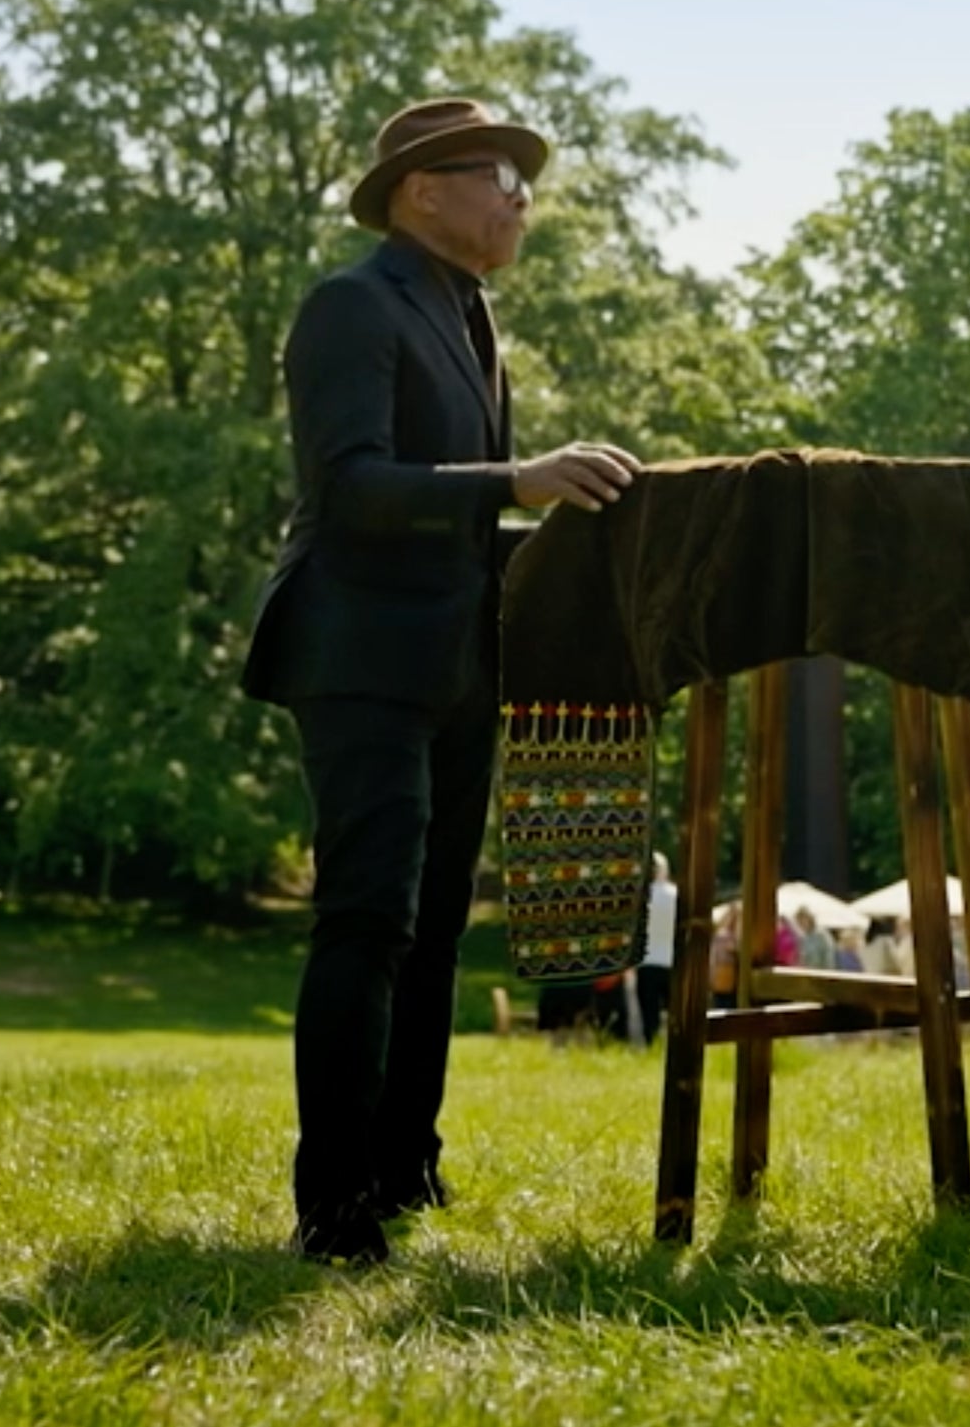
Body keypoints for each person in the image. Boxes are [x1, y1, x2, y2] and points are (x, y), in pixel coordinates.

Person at [241, 97, 641, 1266]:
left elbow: (465, 521)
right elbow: (356, 484)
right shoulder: (349, 306)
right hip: (359, 650)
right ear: (423, 190)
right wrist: (522, 477)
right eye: (499, 174)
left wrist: (588, 535)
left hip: (460, 658)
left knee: (433, 931)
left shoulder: (471, 315)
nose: (521, 195)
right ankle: (333, 1204)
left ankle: (405, 1164)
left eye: (524, 177)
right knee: (366, 918)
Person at [636, 851, 678, 1046]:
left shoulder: (639, 896)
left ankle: (651, 1045)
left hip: (647, 961)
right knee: (675, 1012)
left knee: (649, 1014)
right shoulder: (676, 895)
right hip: (672, 961)